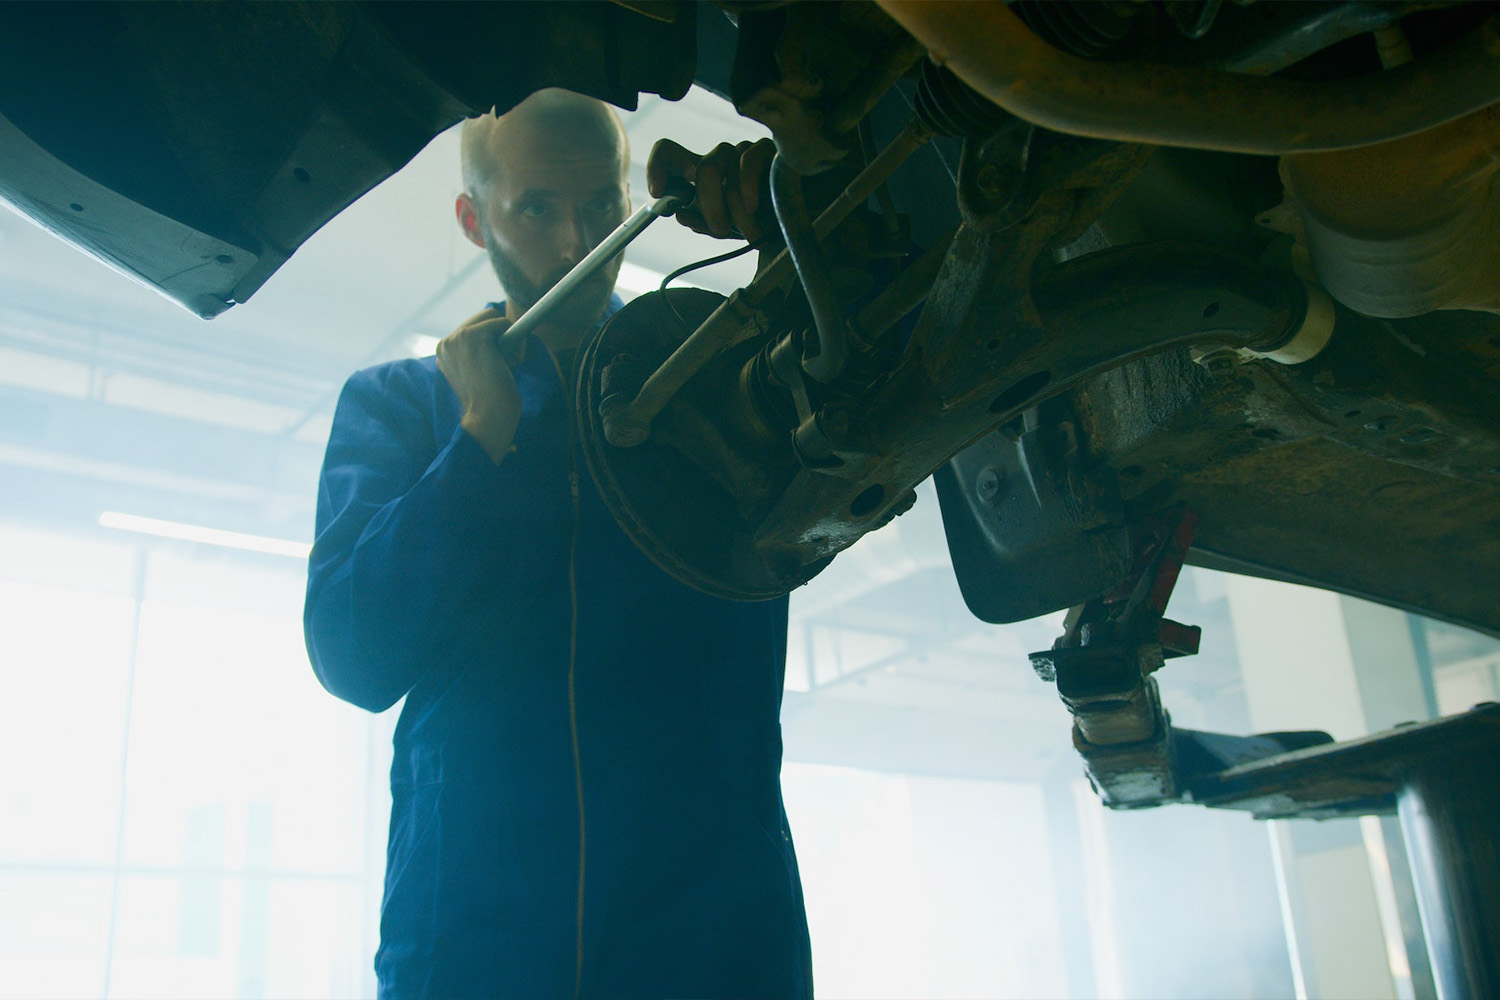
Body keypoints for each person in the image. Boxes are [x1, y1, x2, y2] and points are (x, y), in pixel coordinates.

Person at [303, 88, 812, 999]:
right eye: (536, 208)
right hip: (472, 943)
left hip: (714, 938)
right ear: (473, 218)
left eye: (599, 208)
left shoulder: (717, 381)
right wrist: (478, 438)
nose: (578, 245)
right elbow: (354, 657)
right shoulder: (399, 408)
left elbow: (848, 465)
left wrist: (795, 244)